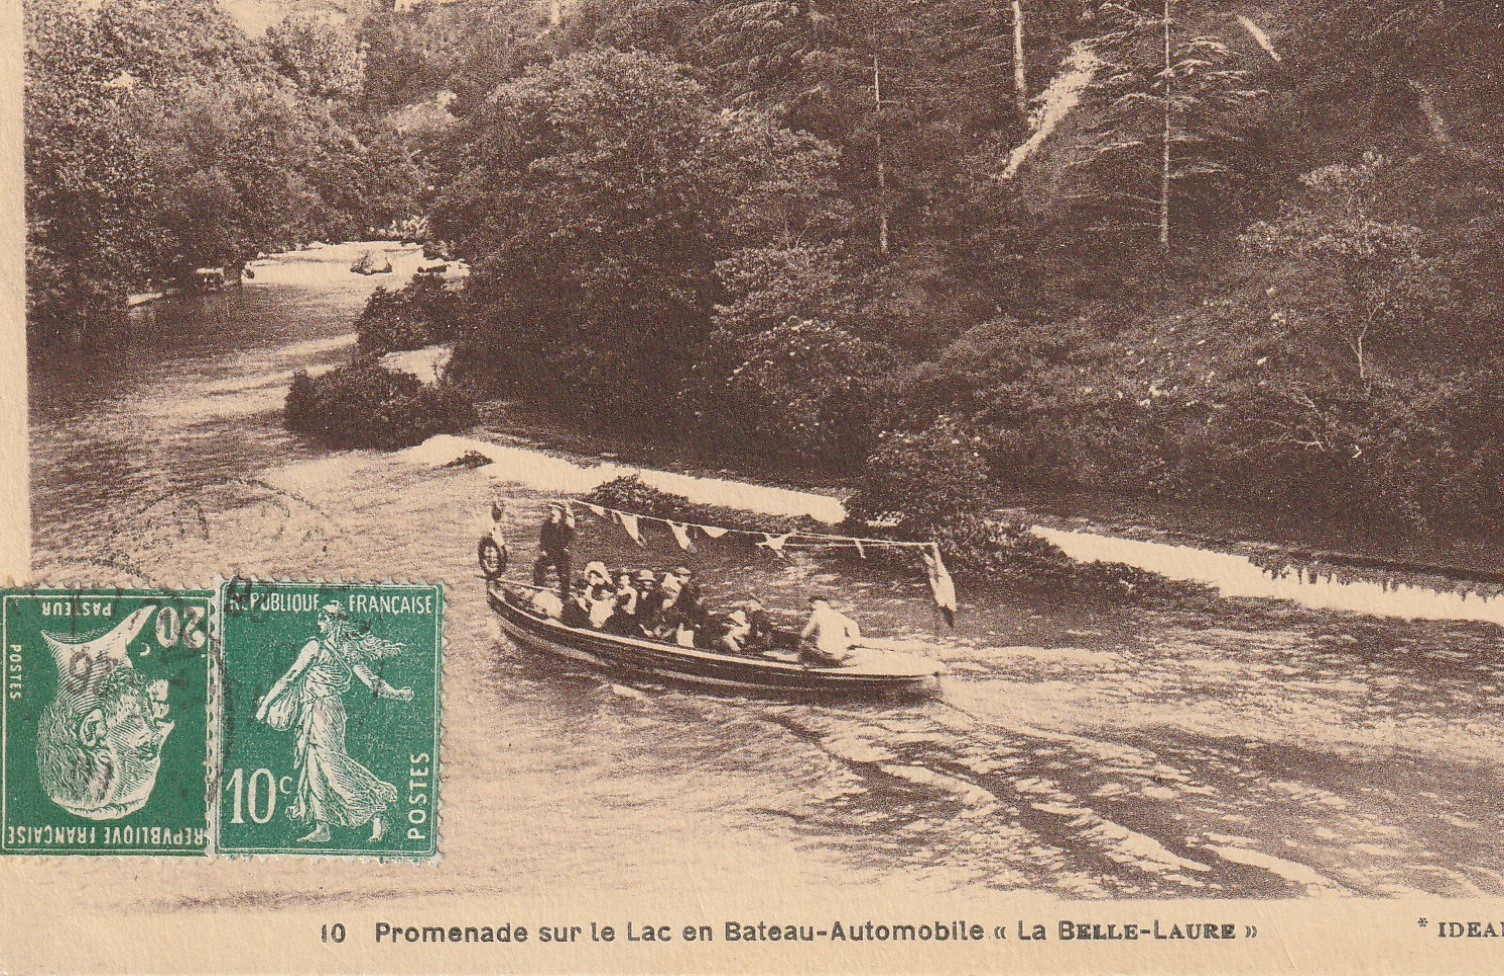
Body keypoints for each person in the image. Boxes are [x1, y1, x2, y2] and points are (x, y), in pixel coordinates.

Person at [255, 602, 413, 844]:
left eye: (324, 618)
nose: (319, 622)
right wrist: (398, 694)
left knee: (331, 766)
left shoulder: (324, 648)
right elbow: (291, 677)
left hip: (326, 712)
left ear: (337, 621)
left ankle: (375, 812)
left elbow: (291, 677)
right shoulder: (332, 649)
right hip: (316, 711)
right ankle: (322, 827)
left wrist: (265, 706)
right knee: (314, 767)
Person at [799, 594, 862, 667]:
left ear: (814, 605)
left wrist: (805, 637)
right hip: (839, 654)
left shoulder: (816, 614)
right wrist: (855, 642)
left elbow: (804, 634)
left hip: (825, 654)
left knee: (804, 645)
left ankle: (809, 665)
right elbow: (853, 625)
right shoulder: (836, 614)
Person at [532, 502, 575, 598]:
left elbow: (570, 539)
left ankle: (565, 596)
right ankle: (539, 591)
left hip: (562, 553)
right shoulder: (547, 524)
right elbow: (543, 539)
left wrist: (566, 549)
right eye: (551, 510)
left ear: (560, 513)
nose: (552, 512)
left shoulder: (566, 524)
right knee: (538, 566)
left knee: (564, 575)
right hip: (550, 552)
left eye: (555, 510)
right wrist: (543, 550)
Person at [605, 571, 640, 636]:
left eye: (624, 579)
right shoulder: (617, 591)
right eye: (621, 579)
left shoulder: (632, 591)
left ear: (629, 581)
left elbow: (631, 605)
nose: (622, 581)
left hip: (628, 615)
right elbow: (612, 603)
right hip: (617, 613)